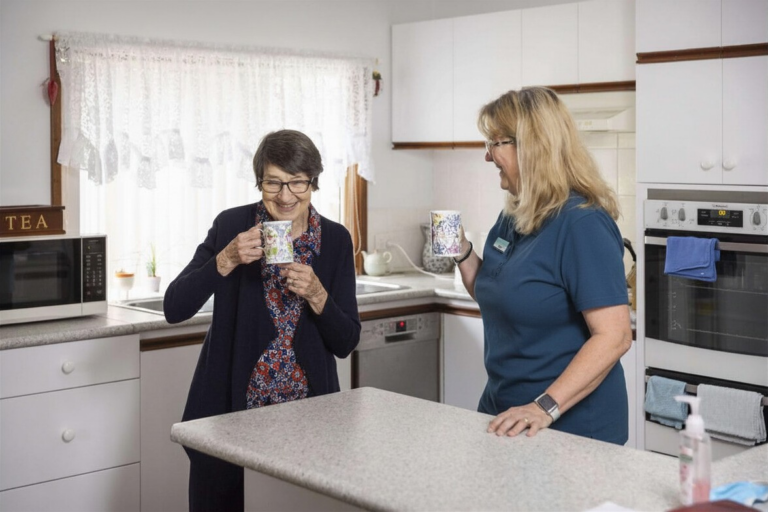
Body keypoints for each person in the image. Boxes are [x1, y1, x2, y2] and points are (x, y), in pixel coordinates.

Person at [164, 129, 361, 510]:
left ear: (313, 182)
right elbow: (175, 307)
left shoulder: (336, 240)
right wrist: (226, 259)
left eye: (297, 182)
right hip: (228, 416)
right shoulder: (231, 226)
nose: (285, 196)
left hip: (307, 421)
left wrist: (317, 294)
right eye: (273, 182)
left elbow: (346, 342)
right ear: (259, 181)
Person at [453, 87, 632, 445]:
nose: (487, 156)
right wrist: (462, 252)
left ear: (532, 147)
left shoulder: (582, 224)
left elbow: (614, 337)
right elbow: (498, 292)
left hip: (572, 428)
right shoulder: (514, 215)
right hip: (505, 414)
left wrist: (543, 407)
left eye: (496, 143)